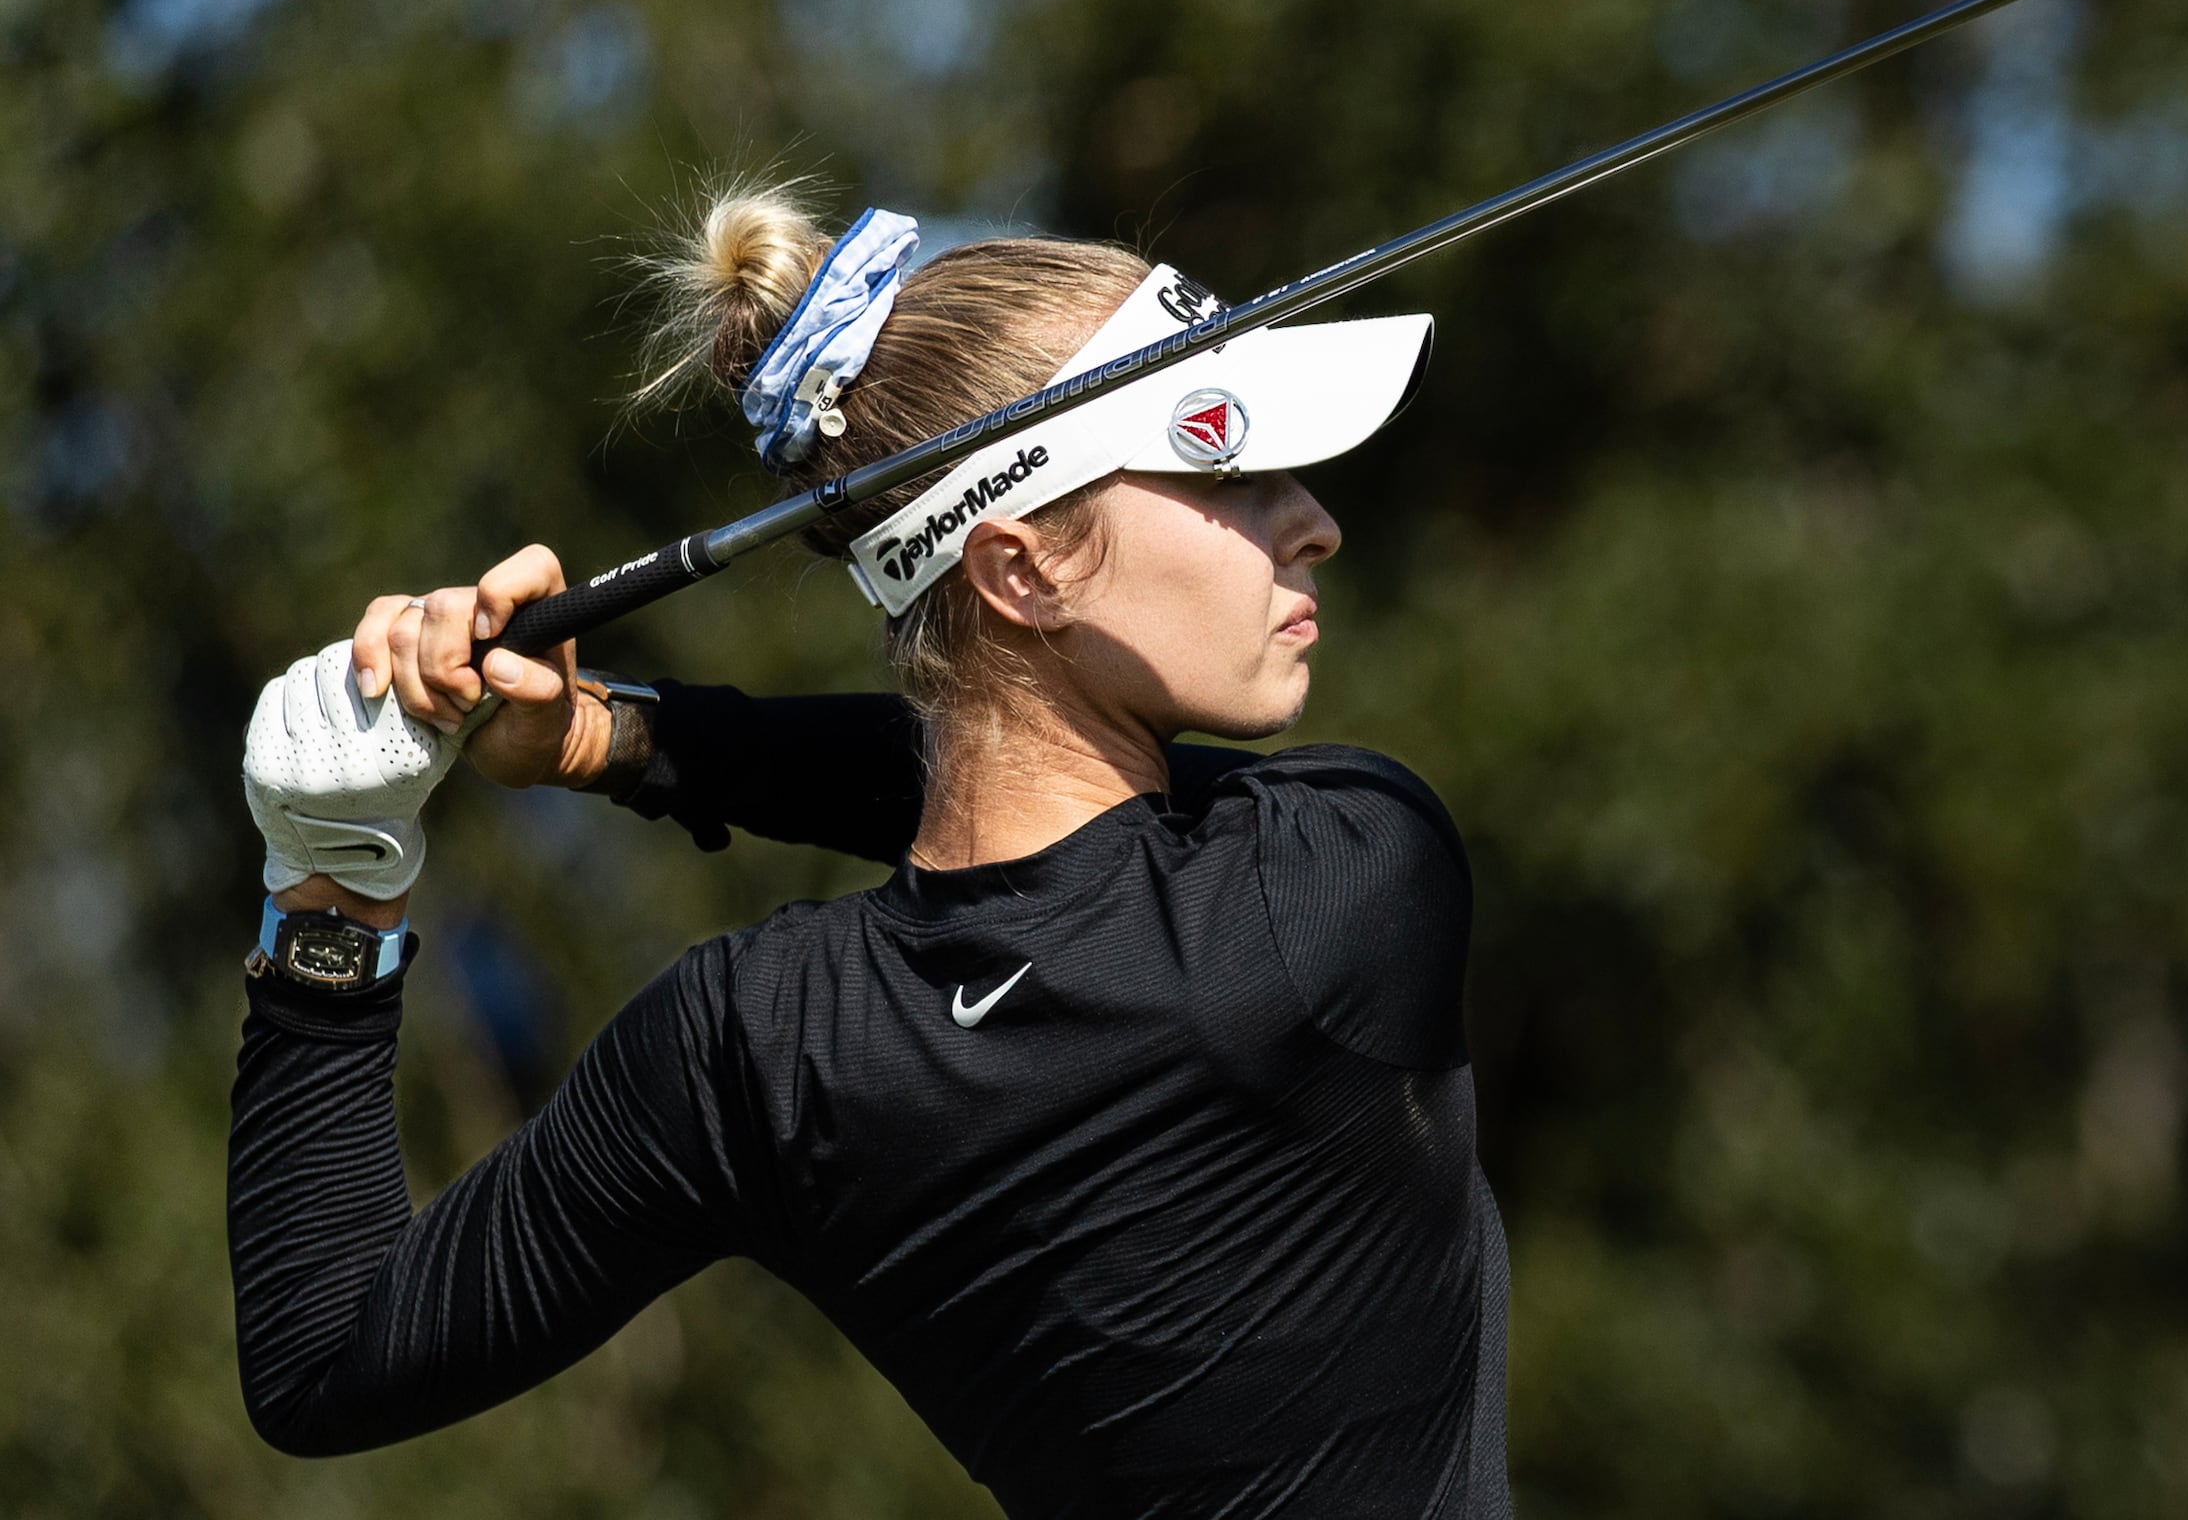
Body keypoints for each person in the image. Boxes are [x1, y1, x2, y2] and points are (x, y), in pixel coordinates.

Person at [225, 187, 1506, 1517]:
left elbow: (324, 1357)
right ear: (1020, 572)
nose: (1313, 521)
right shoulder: (1360, 870)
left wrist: (333, 876)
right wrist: (630, 740)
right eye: (1232, 473)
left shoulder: (764, 1048)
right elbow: (1088, 867)